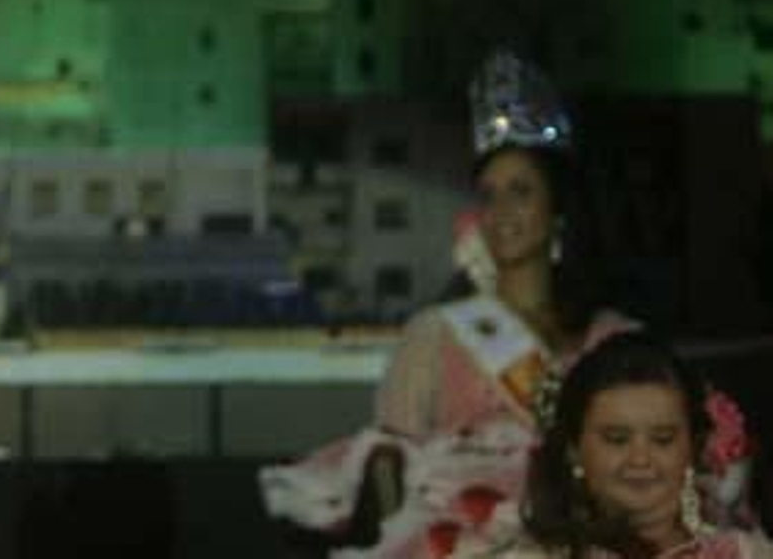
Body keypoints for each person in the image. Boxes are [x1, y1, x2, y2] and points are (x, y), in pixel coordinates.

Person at [261, 51, 635, 557]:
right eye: (488, 195)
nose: (501, 212)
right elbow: (392, 456)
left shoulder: (613, 339)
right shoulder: (436, 335)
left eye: (521, 191)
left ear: (558, 212)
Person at [476, 330, 769, 558]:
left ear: (692, 448)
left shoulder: (744, 553)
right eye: (617, 440)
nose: (640, 458)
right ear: (574, 449)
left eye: (663, 439)